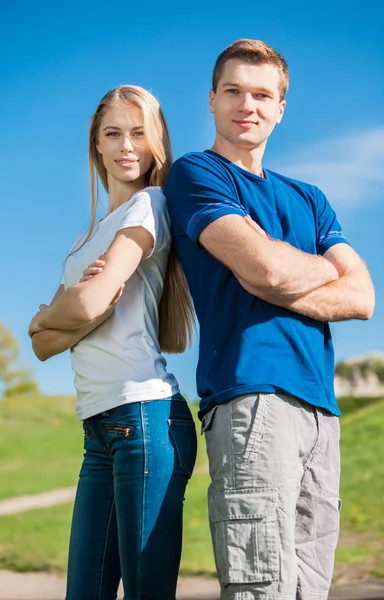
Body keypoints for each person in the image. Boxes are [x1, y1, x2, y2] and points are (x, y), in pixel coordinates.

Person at [164, 39, 375, 600]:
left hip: (321, 412)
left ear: (281, 107)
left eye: (262, 94)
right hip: (252, 400)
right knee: (262, 589)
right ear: (211, 99)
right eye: (233, 91)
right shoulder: (196, 175)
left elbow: (363, 297)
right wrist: (293, 271)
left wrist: (275, 270)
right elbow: (265, 270)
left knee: (312, 589)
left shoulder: (310, 198)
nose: (246, 105)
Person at [29, 85, 197, 600]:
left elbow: (75, 309)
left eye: (140, 133)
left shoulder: (149, 206)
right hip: (99, 433)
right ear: (96, 146)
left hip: (146, 420)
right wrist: (74, 312)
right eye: (113, 133)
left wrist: (60, 314)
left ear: (156, 144)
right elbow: (40, 344)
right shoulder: (86, 240)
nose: (127, 145)